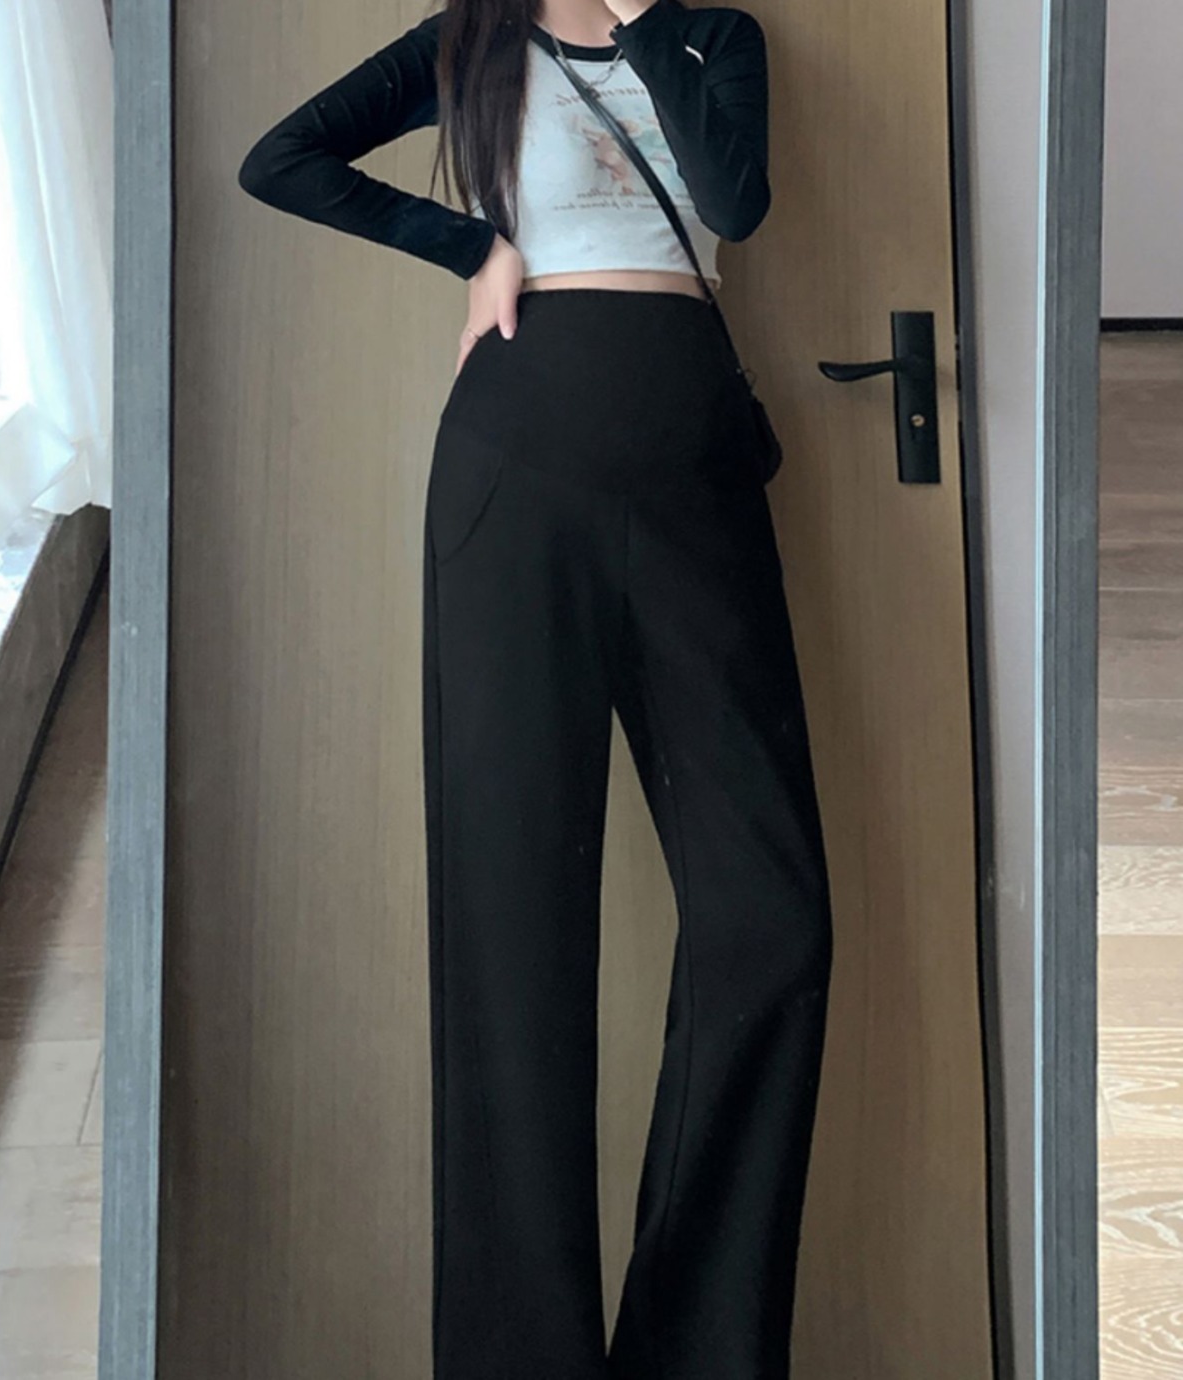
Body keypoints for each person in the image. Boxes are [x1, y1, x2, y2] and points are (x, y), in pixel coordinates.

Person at [237, 4, 833, 1377]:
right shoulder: (473, 39)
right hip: (516, 469)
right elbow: (283, 159)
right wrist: (470, 247)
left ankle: (697, 1352)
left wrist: (643, 21)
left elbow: (736, 203)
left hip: (693, 479)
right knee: (512, 929)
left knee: (773, 922)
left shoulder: (715, 36)